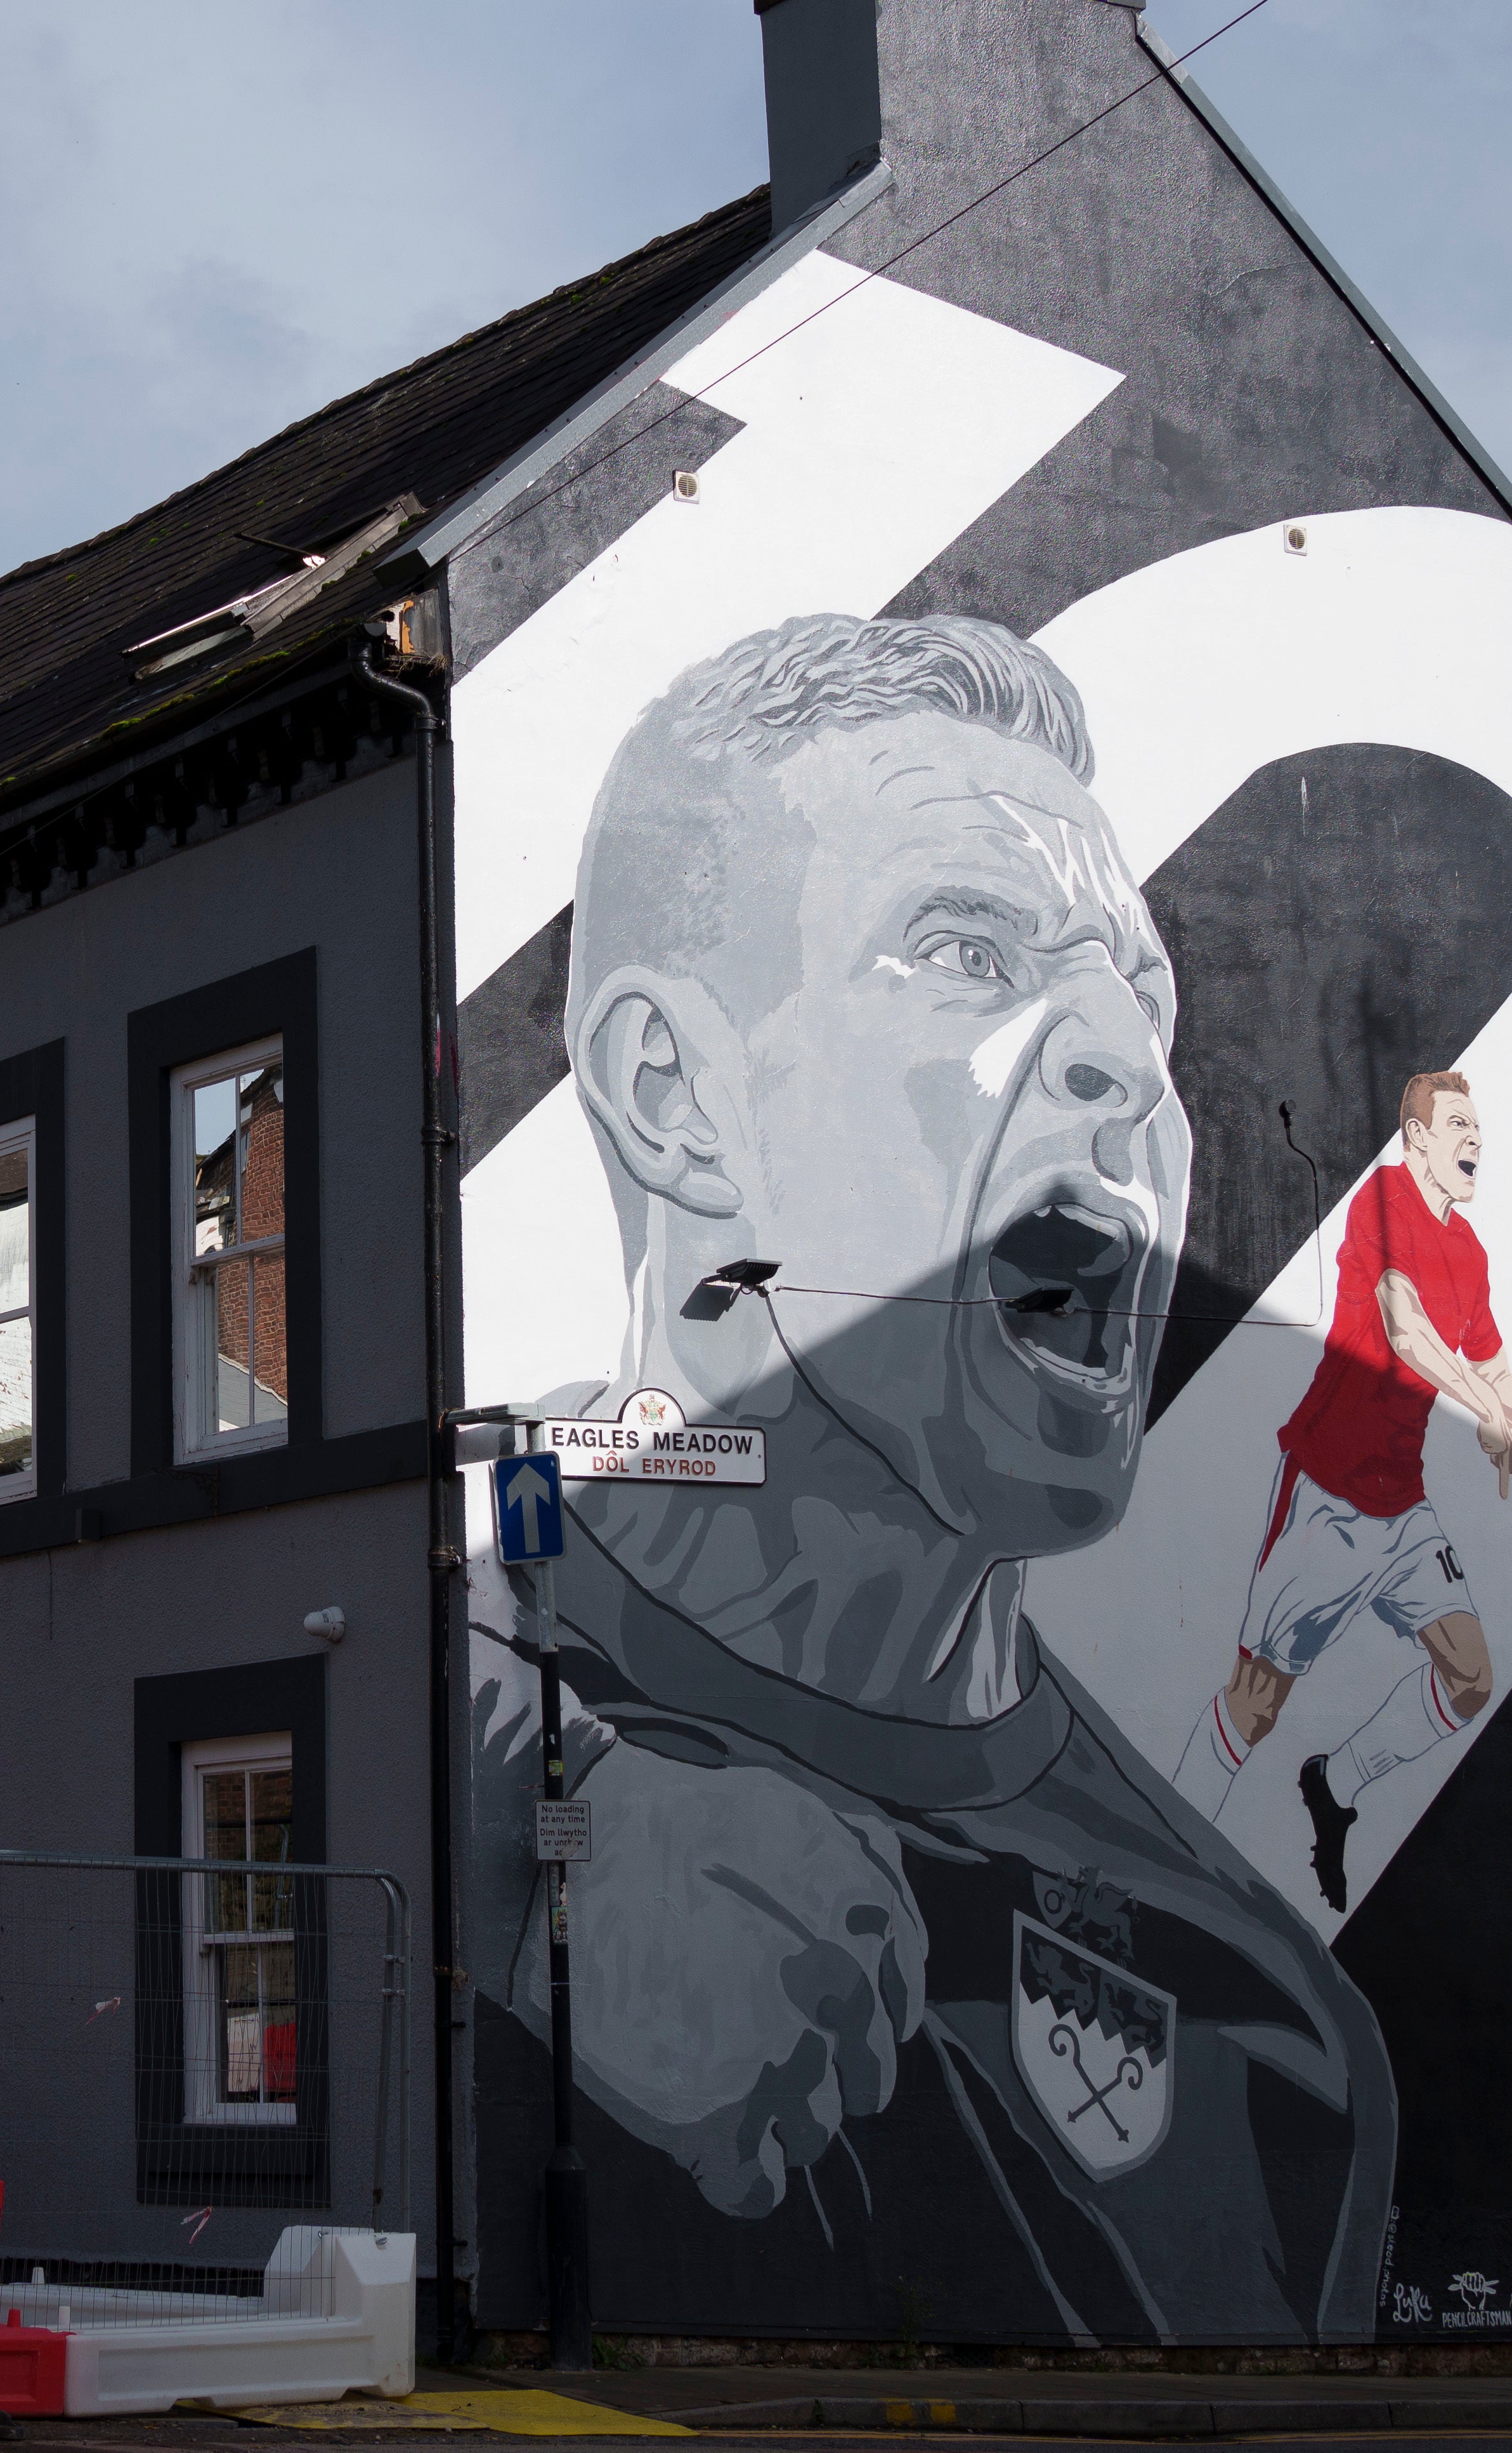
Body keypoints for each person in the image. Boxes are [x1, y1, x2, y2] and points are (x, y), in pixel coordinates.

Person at [474, 611, 1394, 2345]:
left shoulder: (1279, 2033)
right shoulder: (457, 1640)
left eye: (1146, 993)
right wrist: (529, 1833)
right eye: (970, 950)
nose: (1128, 1063)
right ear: (673, 1092)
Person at [1201, 1069, 1512, 1914]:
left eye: (1477, 1126)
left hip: (1402, 1503)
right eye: (1457, 1124)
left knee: (1470, 1678)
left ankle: (1335, 1784)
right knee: (1258, 1704)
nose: (1475, 1140)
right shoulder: (1382, 1200)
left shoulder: (1474, 1250)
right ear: (1417, 1138)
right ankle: (1164, 1858)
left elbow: (1486, 1350)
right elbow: (1405, 1326)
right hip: (1327, 1491)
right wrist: (1483, 1411)